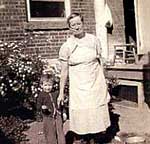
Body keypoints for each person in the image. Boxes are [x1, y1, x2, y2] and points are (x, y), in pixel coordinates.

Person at [57, 12, 111, 143]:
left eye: (78, 23)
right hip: (78, 85)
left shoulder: (94, 40)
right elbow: (64, 71)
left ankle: (95, 138)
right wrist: (60, 93)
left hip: (95, 81)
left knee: (95, 110)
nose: (76, 27)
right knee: (82, 112)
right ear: (69, 28)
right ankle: (83, 138)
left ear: (83, 24)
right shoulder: (67, 46)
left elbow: (100, 61)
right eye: (73, 25)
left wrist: (104, 79)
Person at [37, 73, 66, 144]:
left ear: (52, 85)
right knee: (50, 133)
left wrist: (64, 112)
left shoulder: (56, 93)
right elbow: (38, 106)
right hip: (48, 116)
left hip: (58, 116)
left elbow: (61, 104)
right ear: (41, 85)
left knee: (60, 133)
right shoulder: (41, 95)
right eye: (45, 85)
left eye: (49, 85)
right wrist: (42, 108)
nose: (47, 87)